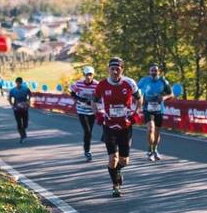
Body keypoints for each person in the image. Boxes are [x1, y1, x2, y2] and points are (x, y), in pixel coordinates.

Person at [94, 57, 142, 197]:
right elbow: (94, 101)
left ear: (122, 69)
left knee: (124, 161)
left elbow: (139, 99)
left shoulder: (129, 83)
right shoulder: (102, 84)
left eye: (118, 69)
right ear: (108, 69)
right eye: (112, 69)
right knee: (113, 159)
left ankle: (116, 171)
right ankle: (115, 186)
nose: (115, 71)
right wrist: (99, 115)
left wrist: (136, 114)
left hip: (125, 126)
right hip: (109, 125)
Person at [137, 63, 173, 161]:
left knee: (157, 131)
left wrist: (164, 97)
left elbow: (171, 94)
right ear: (149, 71)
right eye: (152, 70)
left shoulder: (163, 82)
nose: (153, 72)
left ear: (158, 72)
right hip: (147, 108)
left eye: (155, 70)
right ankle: (149, 150)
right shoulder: (144, 80)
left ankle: (155, 149)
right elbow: (136, 90)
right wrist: (140, 98)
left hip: (159, 109)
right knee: (150, 129)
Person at [70, 66, 99, 161]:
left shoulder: (96, 85)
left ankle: (87, 149)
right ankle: (87, 151)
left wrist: (93, 101)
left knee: (89, 132)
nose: (88, 77)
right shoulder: (78, 84)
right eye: (87, 75)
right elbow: (72, 93)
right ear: (84, 75)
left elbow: (100, 96)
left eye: (90, 74)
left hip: (92, 111)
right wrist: (81, 99)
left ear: (93, 75)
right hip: (81, 110)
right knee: (87, 131)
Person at [8, 77, 32, 143]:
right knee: (19, 123)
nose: (18, 84)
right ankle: (22, 136)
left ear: (21, 82)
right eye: (17, 82)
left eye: (19, 82)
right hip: (16, 109)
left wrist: (28, 101)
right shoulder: (12, 90)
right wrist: (12, 105)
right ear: (16, 82)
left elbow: (30, 95)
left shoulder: (26, 89)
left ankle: (23, 132)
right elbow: (9, 98)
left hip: (24, 108)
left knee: (25, 124)